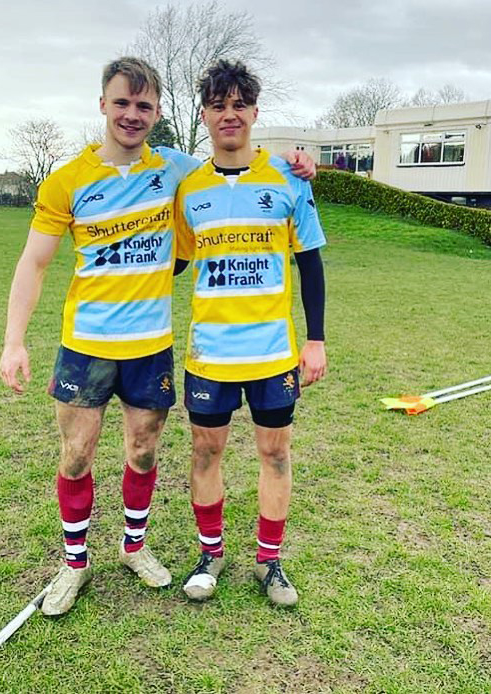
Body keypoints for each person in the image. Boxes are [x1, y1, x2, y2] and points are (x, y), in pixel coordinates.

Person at [0, 57, 316, 616]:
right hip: (86, 344)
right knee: (75, 456)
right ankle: (74, 565)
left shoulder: (177, 170)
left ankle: (134, 548)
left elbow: (234, 162)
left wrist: (300, 164)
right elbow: (34, 262)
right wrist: (14, 339)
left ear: (160, 113)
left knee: (144, 452)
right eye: (122, 103)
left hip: (152, 345)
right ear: (103, 104)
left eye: (144, 105)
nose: (132, 115)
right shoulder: (67, 180)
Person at [175, 60, 327, 607]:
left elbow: (310, 262)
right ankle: (210, 553)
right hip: (210, 351)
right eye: (219, 105)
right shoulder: (189, 187)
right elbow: (173, 262)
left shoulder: (289, 178)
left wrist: (316, 339)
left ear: (255, 113)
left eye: (240, 104)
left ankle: (269, 561)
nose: (229, 114)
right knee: (205, 452)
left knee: (275, 453)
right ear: (206, 115)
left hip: (272, 351)